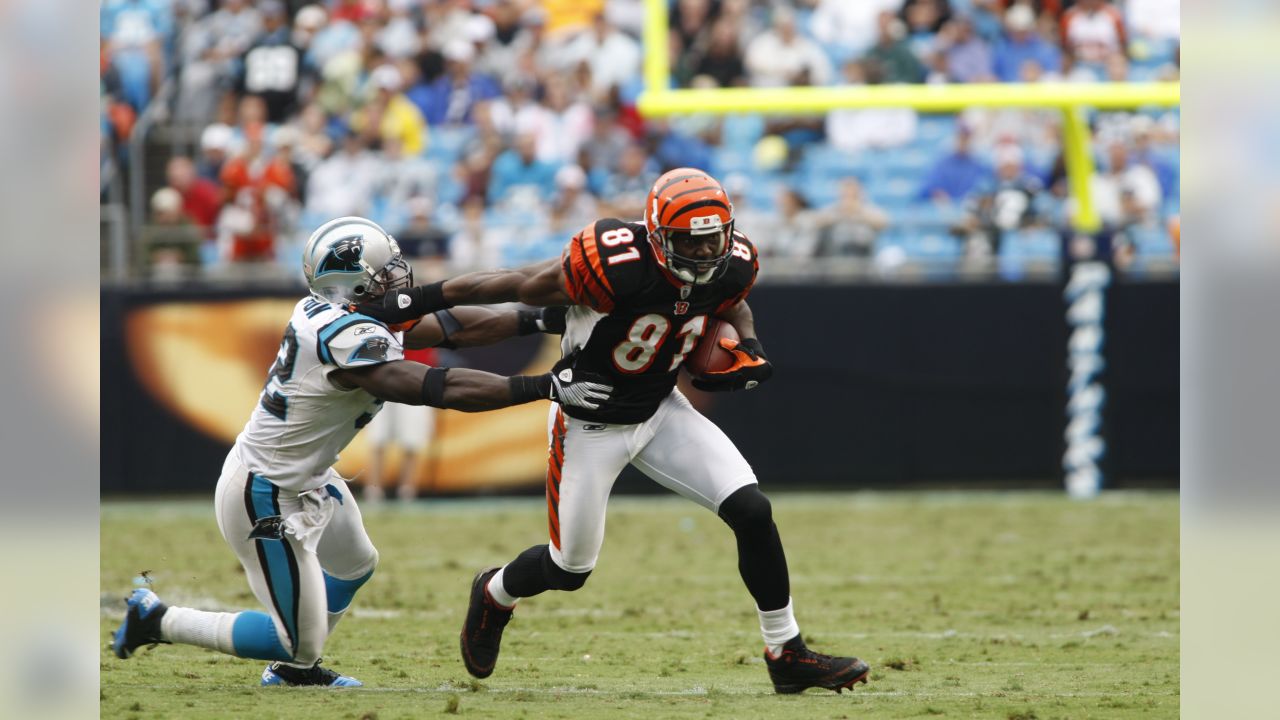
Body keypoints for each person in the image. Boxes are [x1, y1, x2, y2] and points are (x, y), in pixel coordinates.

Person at [357, 169, 872, 694]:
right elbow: (516, 285)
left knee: (752, 510)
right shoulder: (610, 264)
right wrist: (413, 301)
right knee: (569, 567)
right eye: (689, 242)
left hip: (660, 408)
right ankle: (495, 591)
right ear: (656, 236)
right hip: (590, 418)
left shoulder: (733, 260)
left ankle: (786, 652)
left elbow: (730, 299)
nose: (703, 252)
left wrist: (752, 342)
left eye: (712, 239)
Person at [111, 216, 611, 687]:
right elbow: (429, 385)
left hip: (307, 474)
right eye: (384, 273)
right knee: (299, 642)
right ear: (351, 285)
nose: (399, 279)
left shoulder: (353, 314)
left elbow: (454, 324)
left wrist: (540, 319)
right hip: (265, 491)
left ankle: (291, 667)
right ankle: (160, 619)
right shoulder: (341, 332)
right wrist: (541, 385)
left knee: (355, 563)